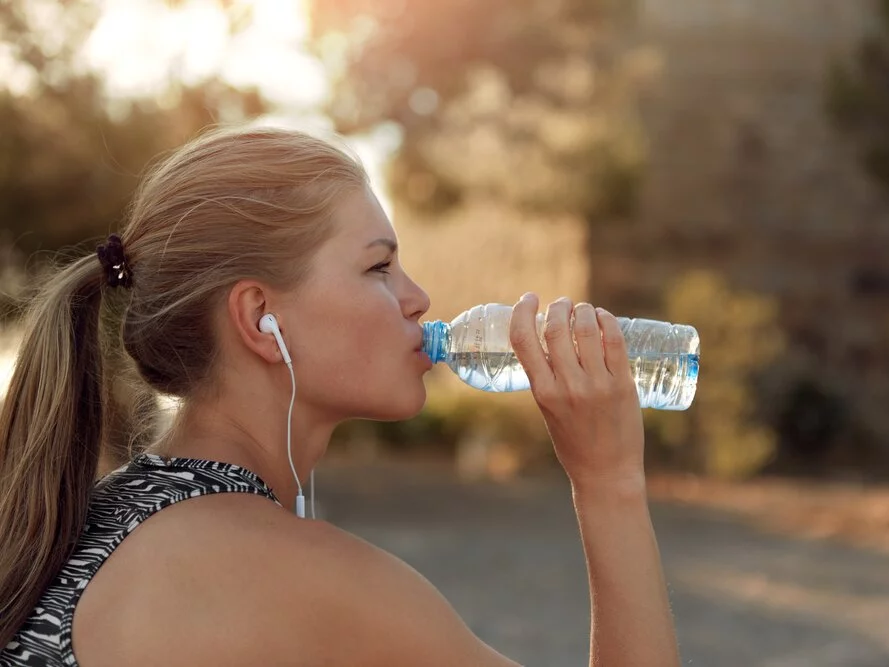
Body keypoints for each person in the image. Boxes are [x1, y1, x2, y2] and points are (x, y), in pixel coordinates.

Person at [0, 125, 681, 666]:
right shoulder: (311, 581)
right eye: (378, 266)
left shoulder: (82, 519)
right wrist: (608, 480)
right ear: (260, 317)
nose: (417, 298)